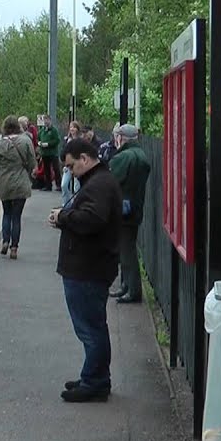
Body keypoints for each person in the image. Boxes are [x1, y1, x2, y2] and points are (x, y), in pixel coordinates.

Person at [49, 137, 122, 402]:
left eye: (71, 166)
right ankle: (95, 375)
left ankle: (95, 381)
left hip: (88, 268)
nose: (69, 172)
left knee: (90, 329)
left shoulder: (98, 185)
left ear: (84, 159)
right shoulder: (98, 182)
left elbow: (93, 219)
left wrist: (62, 217)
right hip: (89, 266)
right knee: (94, 327)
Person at [108, 124, 152, 304]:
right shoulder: (140, 155)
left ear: (121, 137)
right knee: (127, 247)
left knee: (126, 250)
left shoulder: (124, 157)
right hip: (135, 207)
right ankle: (127, 285)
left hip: (123, 210)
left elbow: (111, 181)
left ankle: (132, 290)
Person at [0, 116, 35, 260]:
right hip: (21, 183)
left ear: (5, 128)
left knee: (6, 213)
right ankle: (14, 248)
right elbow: (32, 163)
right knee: (17, 217)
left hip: (4, 184)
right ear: (18, 127)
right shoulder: (26, 141)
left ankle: (5, 241)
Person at [35, 114, 62, 191]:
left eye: (46, 120)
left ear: (50, 120)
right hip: (44, 153)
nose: (45, 122)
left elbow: (57, 140)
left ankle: (58, 185)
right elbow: (38, 139)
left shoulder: (54, 130)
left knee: (56, 168)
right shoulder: (42, 131)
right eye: (44, 120)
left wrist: (48, 144)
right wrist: (39, 143)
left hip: (53, 153)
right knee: (46, 170)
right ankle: (48, 185)